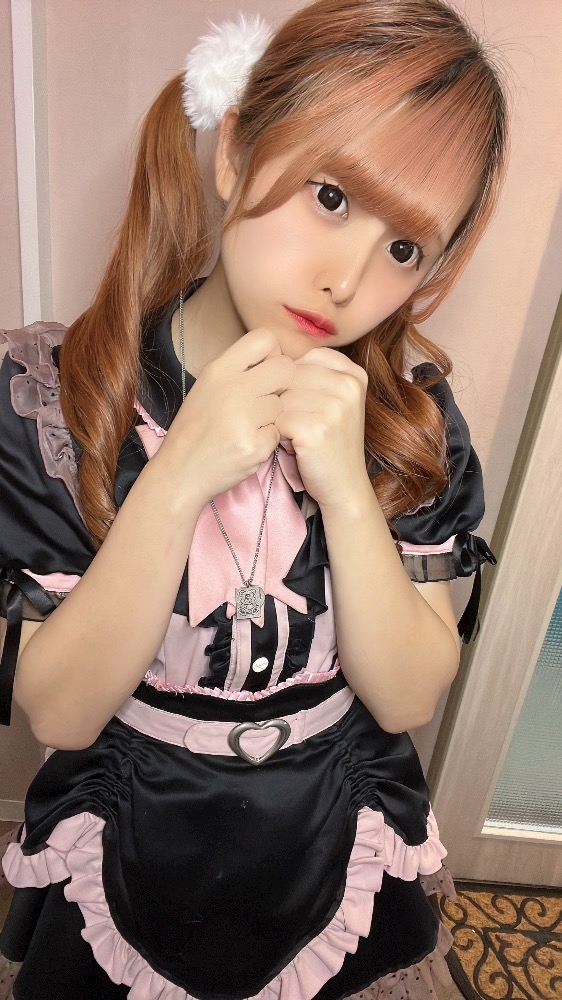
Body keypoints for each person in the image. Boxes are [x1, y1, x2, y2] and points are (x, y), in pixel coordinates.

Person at [0, 0, 507, 997]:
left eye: (405, 248)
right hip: (134, 832)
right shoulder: (59, 400)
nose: (347, 278)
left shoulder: (411, 416)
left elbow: (408, 696)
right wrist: (179, 475)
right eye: (331, 196)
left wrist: (346, 493)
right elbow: (59, 709)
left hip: (332, 832)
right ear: (234, 150)